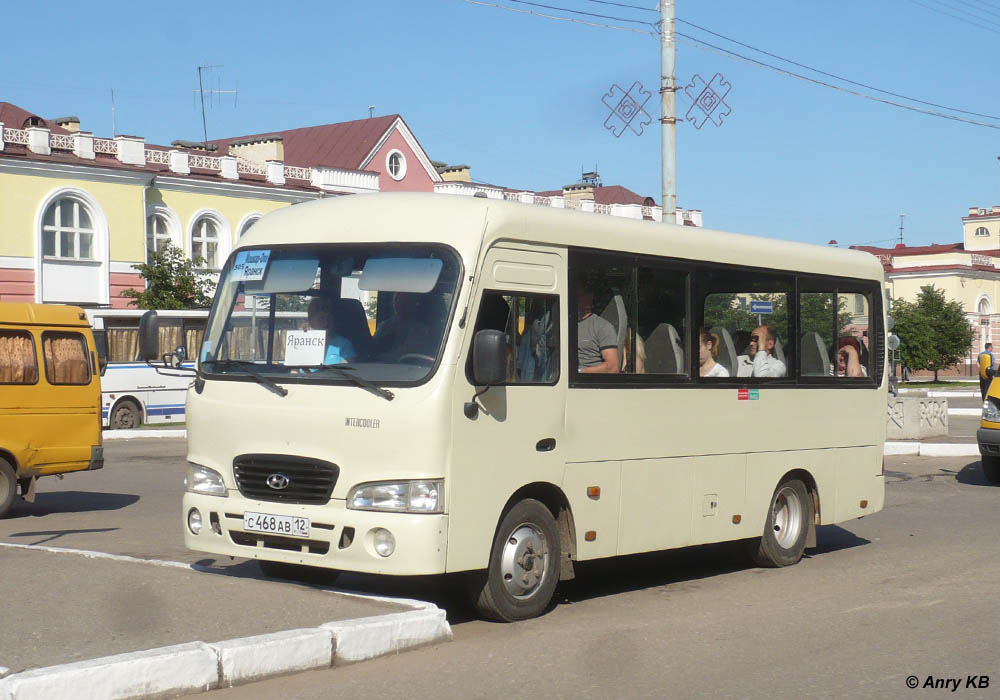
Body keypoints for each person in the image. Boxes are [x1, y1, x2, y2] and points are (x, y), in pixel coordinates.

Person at [577, 286, 619, 373]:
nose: (577, 298)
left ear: (590, 297)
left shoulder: (602, 326)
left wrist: (579, 372)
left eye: (581, 295)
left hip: (584, 382)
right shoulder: (559, 323)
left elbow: (612, 366)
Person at [307, 297, 355, 365]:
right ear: (310, 321)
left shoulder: (344, 344)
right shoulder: (301, 344)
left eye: (329, 318)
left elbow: (346, 372)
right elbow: (294, 370)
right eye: (321, 318)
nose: (326, 323)